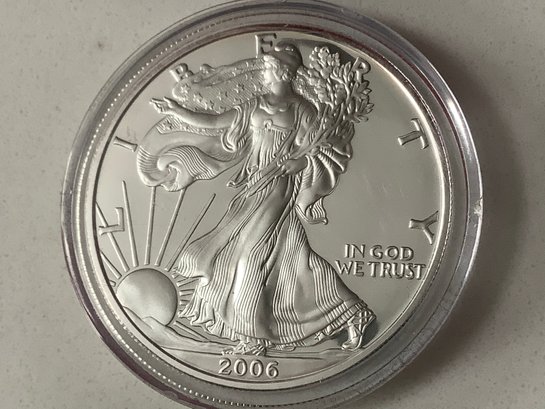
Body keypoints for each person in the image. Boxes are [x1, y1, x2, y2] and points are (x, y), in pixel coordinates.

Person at [144, 42, 374, 356]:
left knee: (248, 257)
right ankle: (351, 313)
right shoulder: (255, 105)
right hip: (253, 188)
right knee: (293, 258)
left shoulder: (303, 111)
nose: (263, 71)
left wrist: (300, 162)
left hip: (279, 188)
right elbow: (216, 123)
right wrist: (177, 111)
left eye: (267, 67)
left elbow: (322, 151)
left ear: (282, 72)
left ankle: (253, 335)